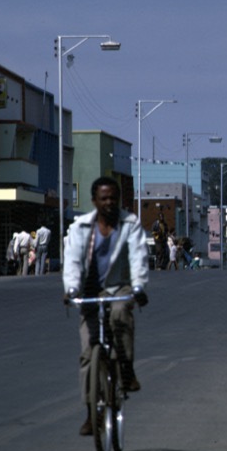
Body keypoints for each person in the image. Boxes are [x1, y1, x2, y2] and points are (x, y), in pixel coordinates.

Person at [63, 176, 149, 436]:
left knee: (122, 313)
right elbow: (73, 261)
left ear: (119, 200)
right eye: (104, 198)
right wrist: (71, 290)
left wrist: (138, 287)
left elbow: (138, 257)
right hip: (89, 292)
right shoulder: (81, 227)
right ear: (94, 201)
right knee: (88, 355)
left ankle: (126, 368)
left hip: (119, 287)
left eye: (113, 197)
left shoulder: (130, 224)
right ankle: (91, 414)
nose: (109, 202)